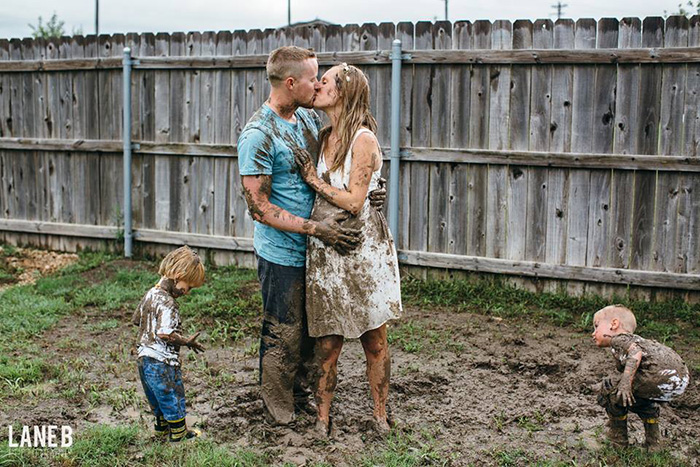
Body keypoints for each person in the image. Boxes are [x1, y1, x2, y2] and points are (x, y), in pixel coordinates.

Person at [237, 46, 367, 426]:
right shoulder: (258, 134)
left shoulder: (309, 121)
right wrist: (317, 229)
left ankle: (300, 397)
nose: (319, 83)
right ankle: (278, 411)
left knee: (312, 333)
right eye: (313, 78)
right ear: (291, 82)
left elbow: (334, 171)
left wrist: (368, 189)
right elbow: (258, 207)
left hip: (318, 250)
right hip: (282, 253)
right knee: (283, 332)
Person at [293, 63, 402, 436]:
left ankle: (380, 415)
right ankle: (323, 419)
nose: (319, 86)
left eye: (325, 82)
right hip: (326, 252)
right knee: (327, 343)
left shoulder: (363, 139)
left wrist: (312, 179)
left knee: (374, 339)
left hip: (362, 252)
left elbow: (355, 202)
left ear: (343, 91)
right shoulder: (322, 137)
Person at [132, 245, 206, 442]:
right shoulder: (168, 303)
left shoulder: (150, 294)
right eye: (187, 286)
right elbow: (165, 333)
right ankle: (179, 435)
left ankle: (161, 430)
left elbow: (136, 319)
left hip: (143, 357)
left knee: (156, 397)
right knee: (173, 395)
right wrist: (186, 341)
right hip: (162, 360)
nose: (187, 292)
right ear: (177, 275)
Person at [591, 305, 690, 449]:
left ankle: (618, 440)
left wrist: (625, 384)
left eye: (596, 326)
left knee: (610, 390)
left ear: (614, 324)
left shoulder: (619, 339)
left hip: (657, 376)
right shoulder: (636, 340)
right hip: (680, 378)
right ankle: (654, 442)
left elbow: (635, 353)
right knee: (641, 399)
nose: (593, 333)